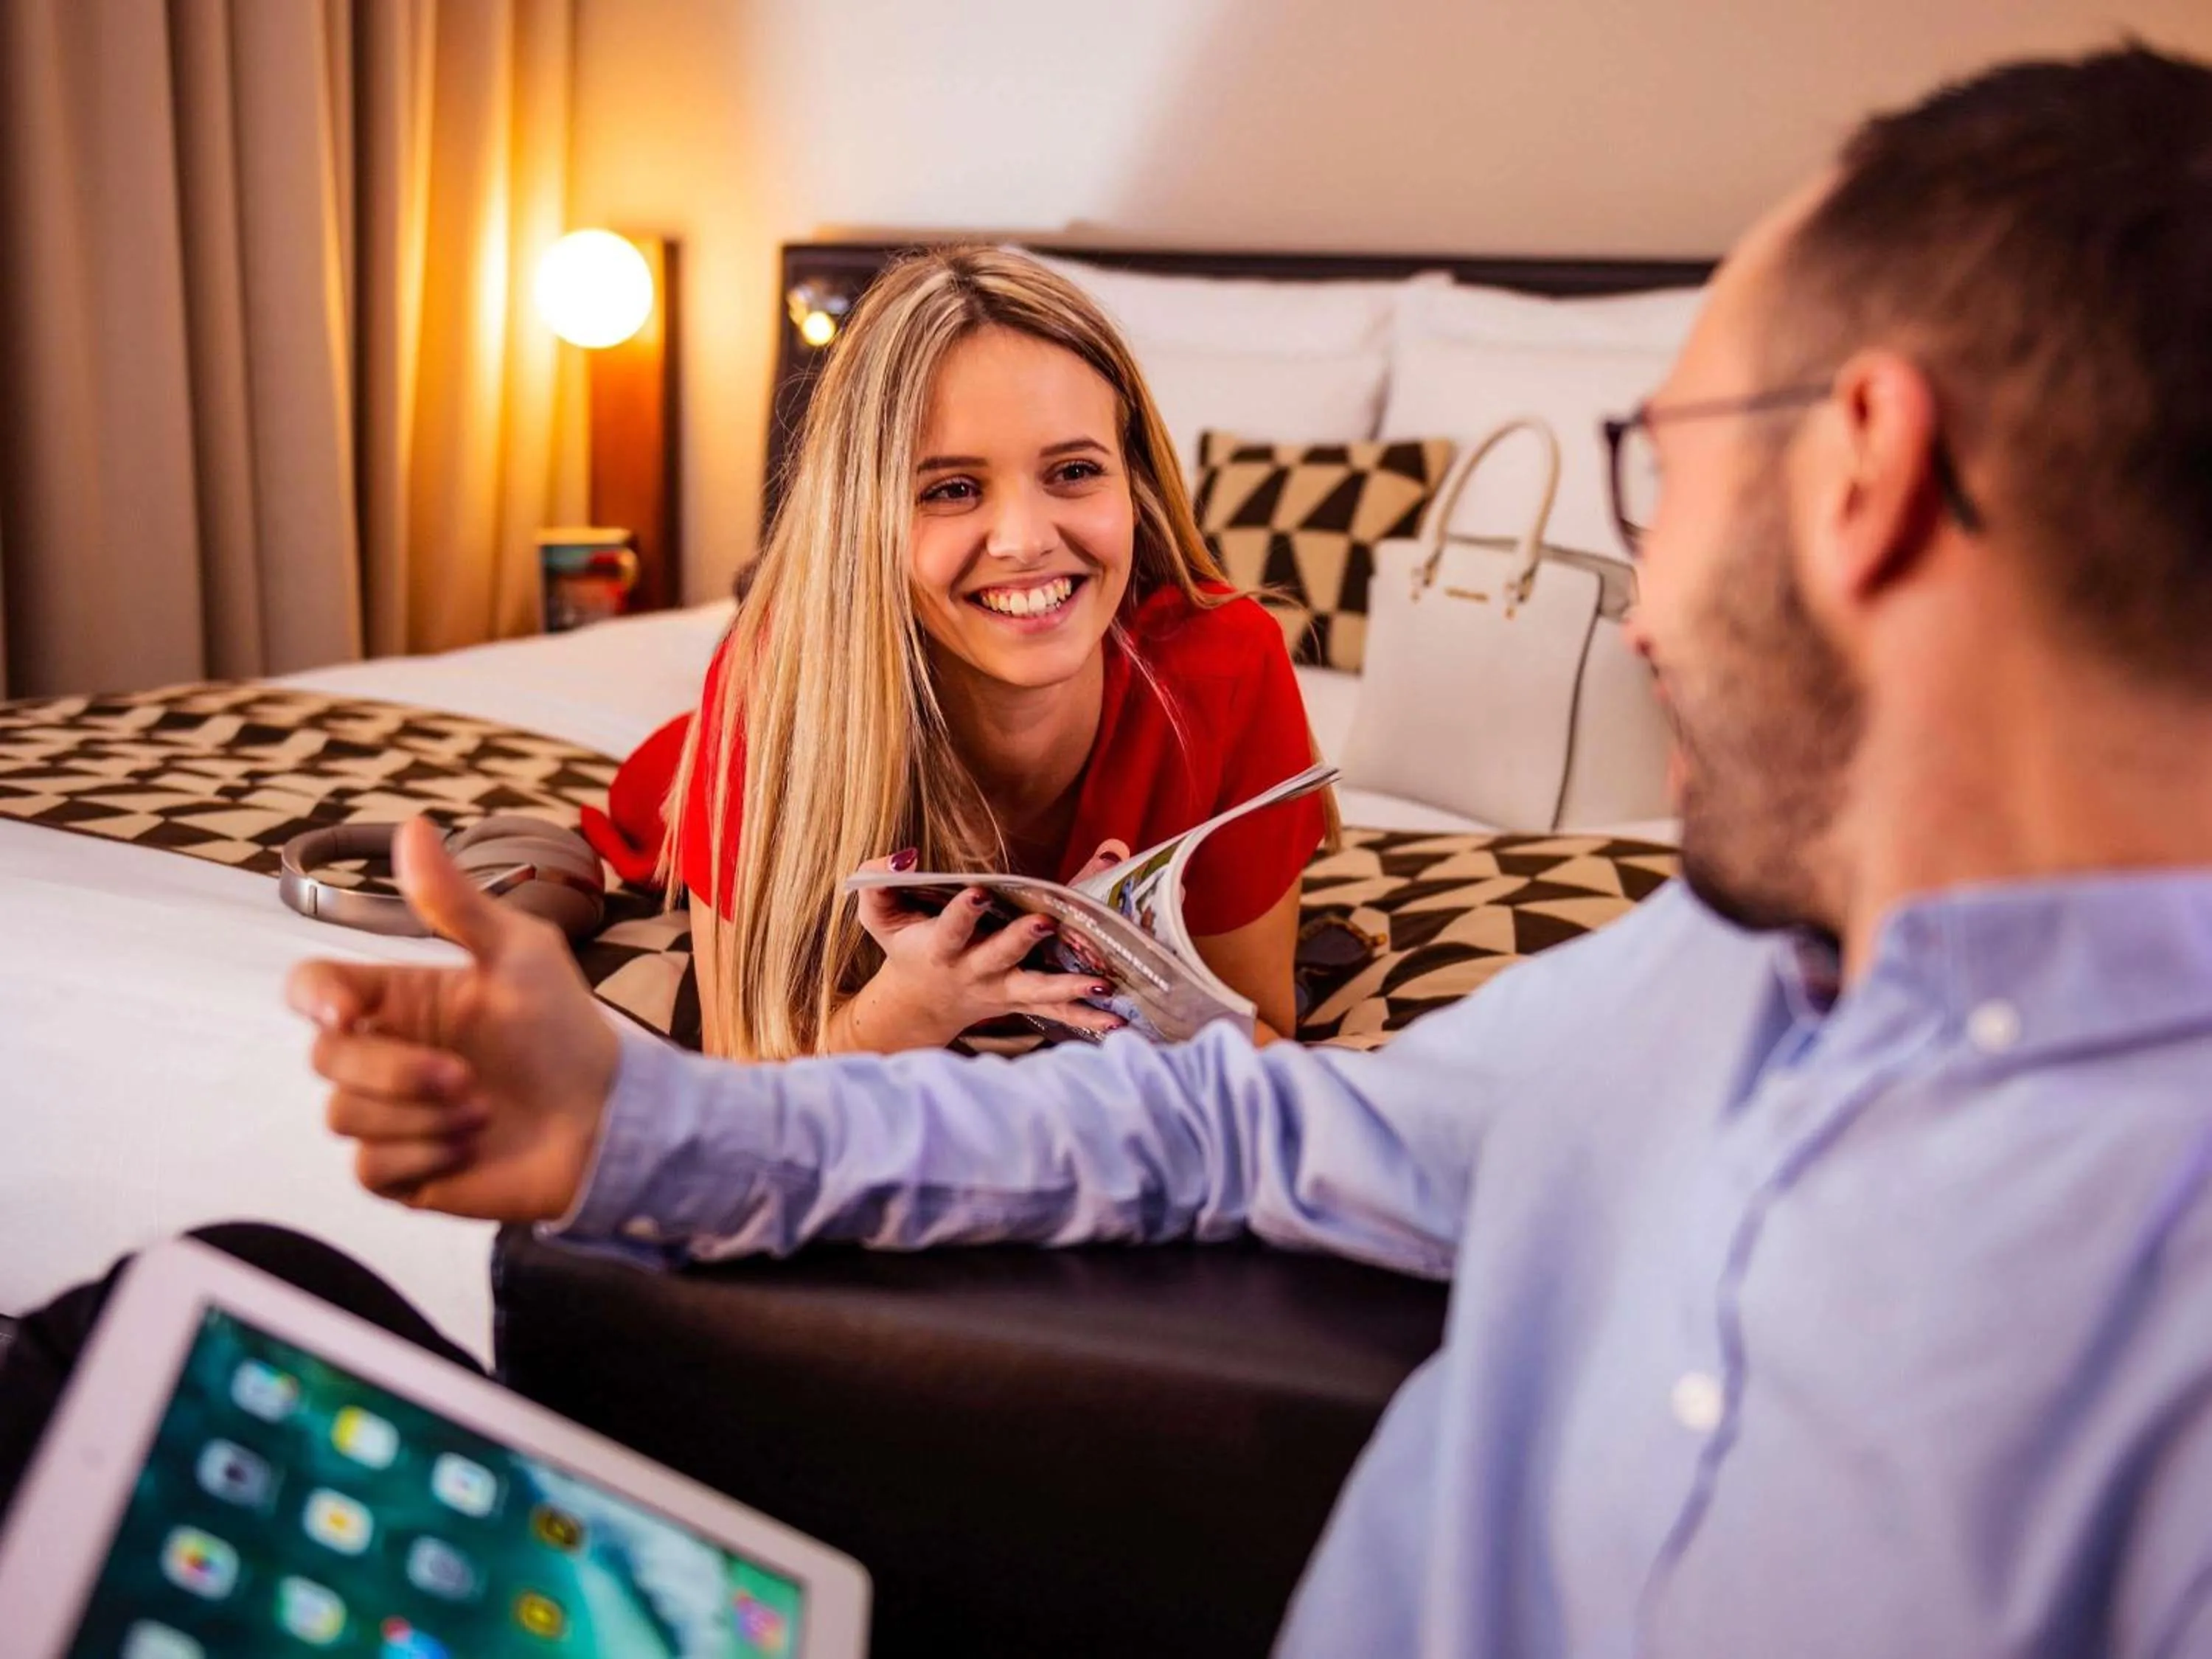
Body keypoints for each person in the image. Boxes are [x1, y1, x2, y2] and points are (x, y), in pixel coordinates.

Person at [7, 43, 2212, 1656]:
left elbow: (1230, 1048)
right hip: (728, 921)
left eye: (1655, 470)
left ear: (1864, 478)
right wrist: (636, 1115)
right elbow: (1235, 1121)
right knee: (194, 1319)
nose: (1625, 605)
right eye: (948, 493)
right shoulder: (1697, 973)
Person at [580, 248, 1327, 1059]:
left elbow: (1262, 1039)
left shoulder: (1227, 663)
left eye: (1074, 471)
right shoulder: (782, 678)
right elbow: (746, 1061)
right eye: (951, 489)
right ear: (864, 519)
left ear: (1135, 487)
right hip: (664, 796)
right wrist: (907, 1012)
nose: (1026, 541)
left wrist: (1121, 979)